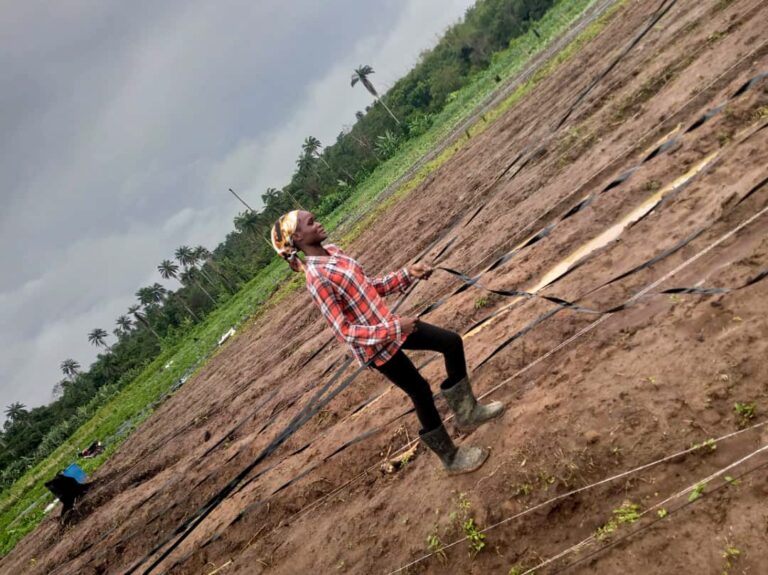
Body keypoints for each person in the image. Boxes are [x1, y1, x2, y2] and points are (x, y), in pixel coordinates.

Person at [271, 210, 504, 475]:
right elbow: (344, 331)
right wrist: (394, 328)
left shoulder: (334, 252)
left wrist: (408, 274)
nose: (319, 222)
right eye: (311, 222)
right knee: (420, 391)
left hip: (391, 325)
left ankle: (468, 412)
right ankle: (450, 459)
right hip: (377, 346)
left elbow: (369, 286)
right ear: (298, 237)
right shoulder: (316, 278)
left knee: (451, 343)